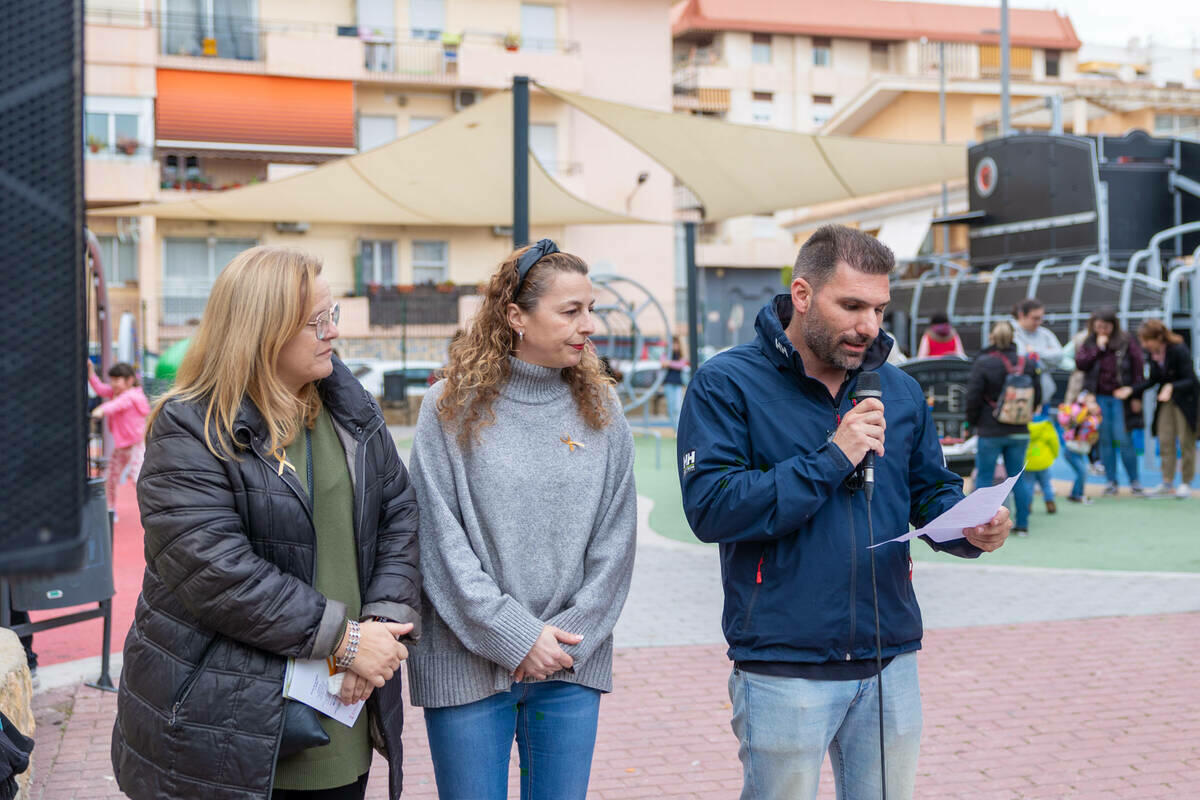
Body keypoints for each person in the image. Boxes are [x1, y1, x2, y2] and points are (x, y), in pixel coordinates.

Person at [677, 224, 1011, 800]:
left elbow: (929, 491)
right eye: (851, 305)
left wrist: (970, 527)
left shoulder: (898, 391)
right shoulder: (727, 383)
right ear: (802, 295)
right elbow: (713, 508)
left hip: (889, 660)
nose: (869, 326)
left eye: (880, 308)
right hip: (784, 664)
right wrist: (834, 456)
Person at [111, 246, 421, 800]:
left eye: (333, 316)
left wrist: (379, 625)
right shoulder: (189, 429)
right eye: (315, 321)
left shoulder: (350, 409)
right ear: (262, 330)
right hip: (228, 721)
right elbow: (218, 572)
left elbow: (398, 513)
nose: (332, 333)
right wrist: (344, 642)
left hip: (343, 704)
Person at [407, 239, 637, 800]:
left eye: (591, 309)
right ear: (515, 316)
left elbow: (617, 542)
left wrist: (562, 645)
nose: (588, 325)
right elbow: (437, 542)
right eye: (570, 311)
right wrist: (515, 637)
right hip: (467, 663)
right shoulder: (447, 408)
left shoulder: (603, 409)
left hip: (569, 665)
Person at [966, 320, 1042, 536]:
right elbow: (1038, 395)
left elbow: (973, 397)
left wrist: (972, 423)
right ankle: (1023, 524)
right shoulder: (1026, 363)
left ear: (991, 337)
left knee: (985, 477)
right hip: (1019, 429)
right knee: (1017, 477)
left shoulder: (983, 362)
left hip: (990, 429)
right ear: (1013, 338)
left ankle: (982, 523)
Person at [1074, 308, 1145, 495]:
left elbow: (1138, 368)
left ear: (1113, 326)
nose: (1102, 330)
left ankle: (1134, 480)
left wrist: (1136, 395)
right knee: (1104, 440)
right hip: (1098, 398)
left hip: (1121, 397)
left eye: (1106, 327)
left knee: (1124, 439)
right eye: (1098, 327)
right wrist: (1098, 348)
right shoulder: (1090, 341)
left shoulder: (1126, 341)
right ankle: (1111, 481)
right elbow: (1080, 364)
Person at [1122, 320, 1196, 499]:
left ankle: (1185, 483)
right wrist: (1132, 390)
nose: (1144, 344)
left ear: (1159, 337)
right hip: (1165, 402)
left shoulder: (1178, 349)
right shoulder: (1153, 353)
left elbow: (1190, 379)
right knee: (1165, 439)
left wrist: (1171, 386)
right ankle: (1167, 482)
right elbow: (1153, 380)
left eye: (1147, 340)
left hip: (1185, 400)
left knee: (1186, 441)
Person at [87, 360, 151, 518]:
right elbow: (101, 389)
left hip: (136, 444)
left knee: (138, 477)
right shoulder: (116, 392)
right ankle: (109, 509)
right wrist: (90, 373)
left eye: (117, 380)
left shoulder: (132, 395)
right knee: (110, 477)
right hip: (123, 445)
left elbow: (116, 405)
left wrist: (100, 410)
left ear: (129, 380)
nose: (113, 384)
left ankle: (152, 509)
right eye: (112, 380)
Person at [1011, 298, 1064, 410]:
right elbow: (1020, 358)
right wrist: (1044, 355)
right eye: (1035, 318)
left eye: (1040, 318)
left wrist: (1035, 351)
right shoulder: (1011, 332)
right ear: (1021, 315)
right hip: (1019, 397)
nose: (1039, 322)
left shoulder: (1045, 334)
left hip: (1044, 397)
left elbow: (1059, 356)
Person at [1058, 390, 1101, 504]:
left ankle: (1077, 494)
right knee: (1082, 472)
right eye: (1089, 401)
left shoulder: (1094, 417)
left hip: (1080, 449)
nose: (1092, 404)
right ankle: (1076, 494)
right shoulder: (1076, 411)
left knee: (1083, 472)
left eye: (1093, 401)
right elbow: (1069, 420)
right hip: (1071, 449)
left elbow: (1094, 427)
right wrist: (1084, 411)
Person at [1025, 407, 1060, 514]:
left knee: (1028, 486)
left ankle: (1027, 506)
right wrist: (1054, 455)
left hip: (1028, 463)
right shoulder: (1047, 425)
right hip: (1043, 462)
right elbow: (1054, 442)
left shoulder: (1024, 426)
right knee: (1046, 484)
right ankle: (1050, 505)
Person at [661, 335, 688, 429]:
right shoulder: (666, 354)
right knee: (671, 408)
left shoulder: (680, 355)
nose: (674, 345)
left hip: (677, 384)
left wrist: (669, 363)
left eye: (676, 343)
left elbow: (681, 365)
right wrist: (669, 363)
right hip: (668, 383)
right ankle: (675, 429)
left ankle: (678, 428)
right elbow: (663, 362)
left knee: (677, 407)